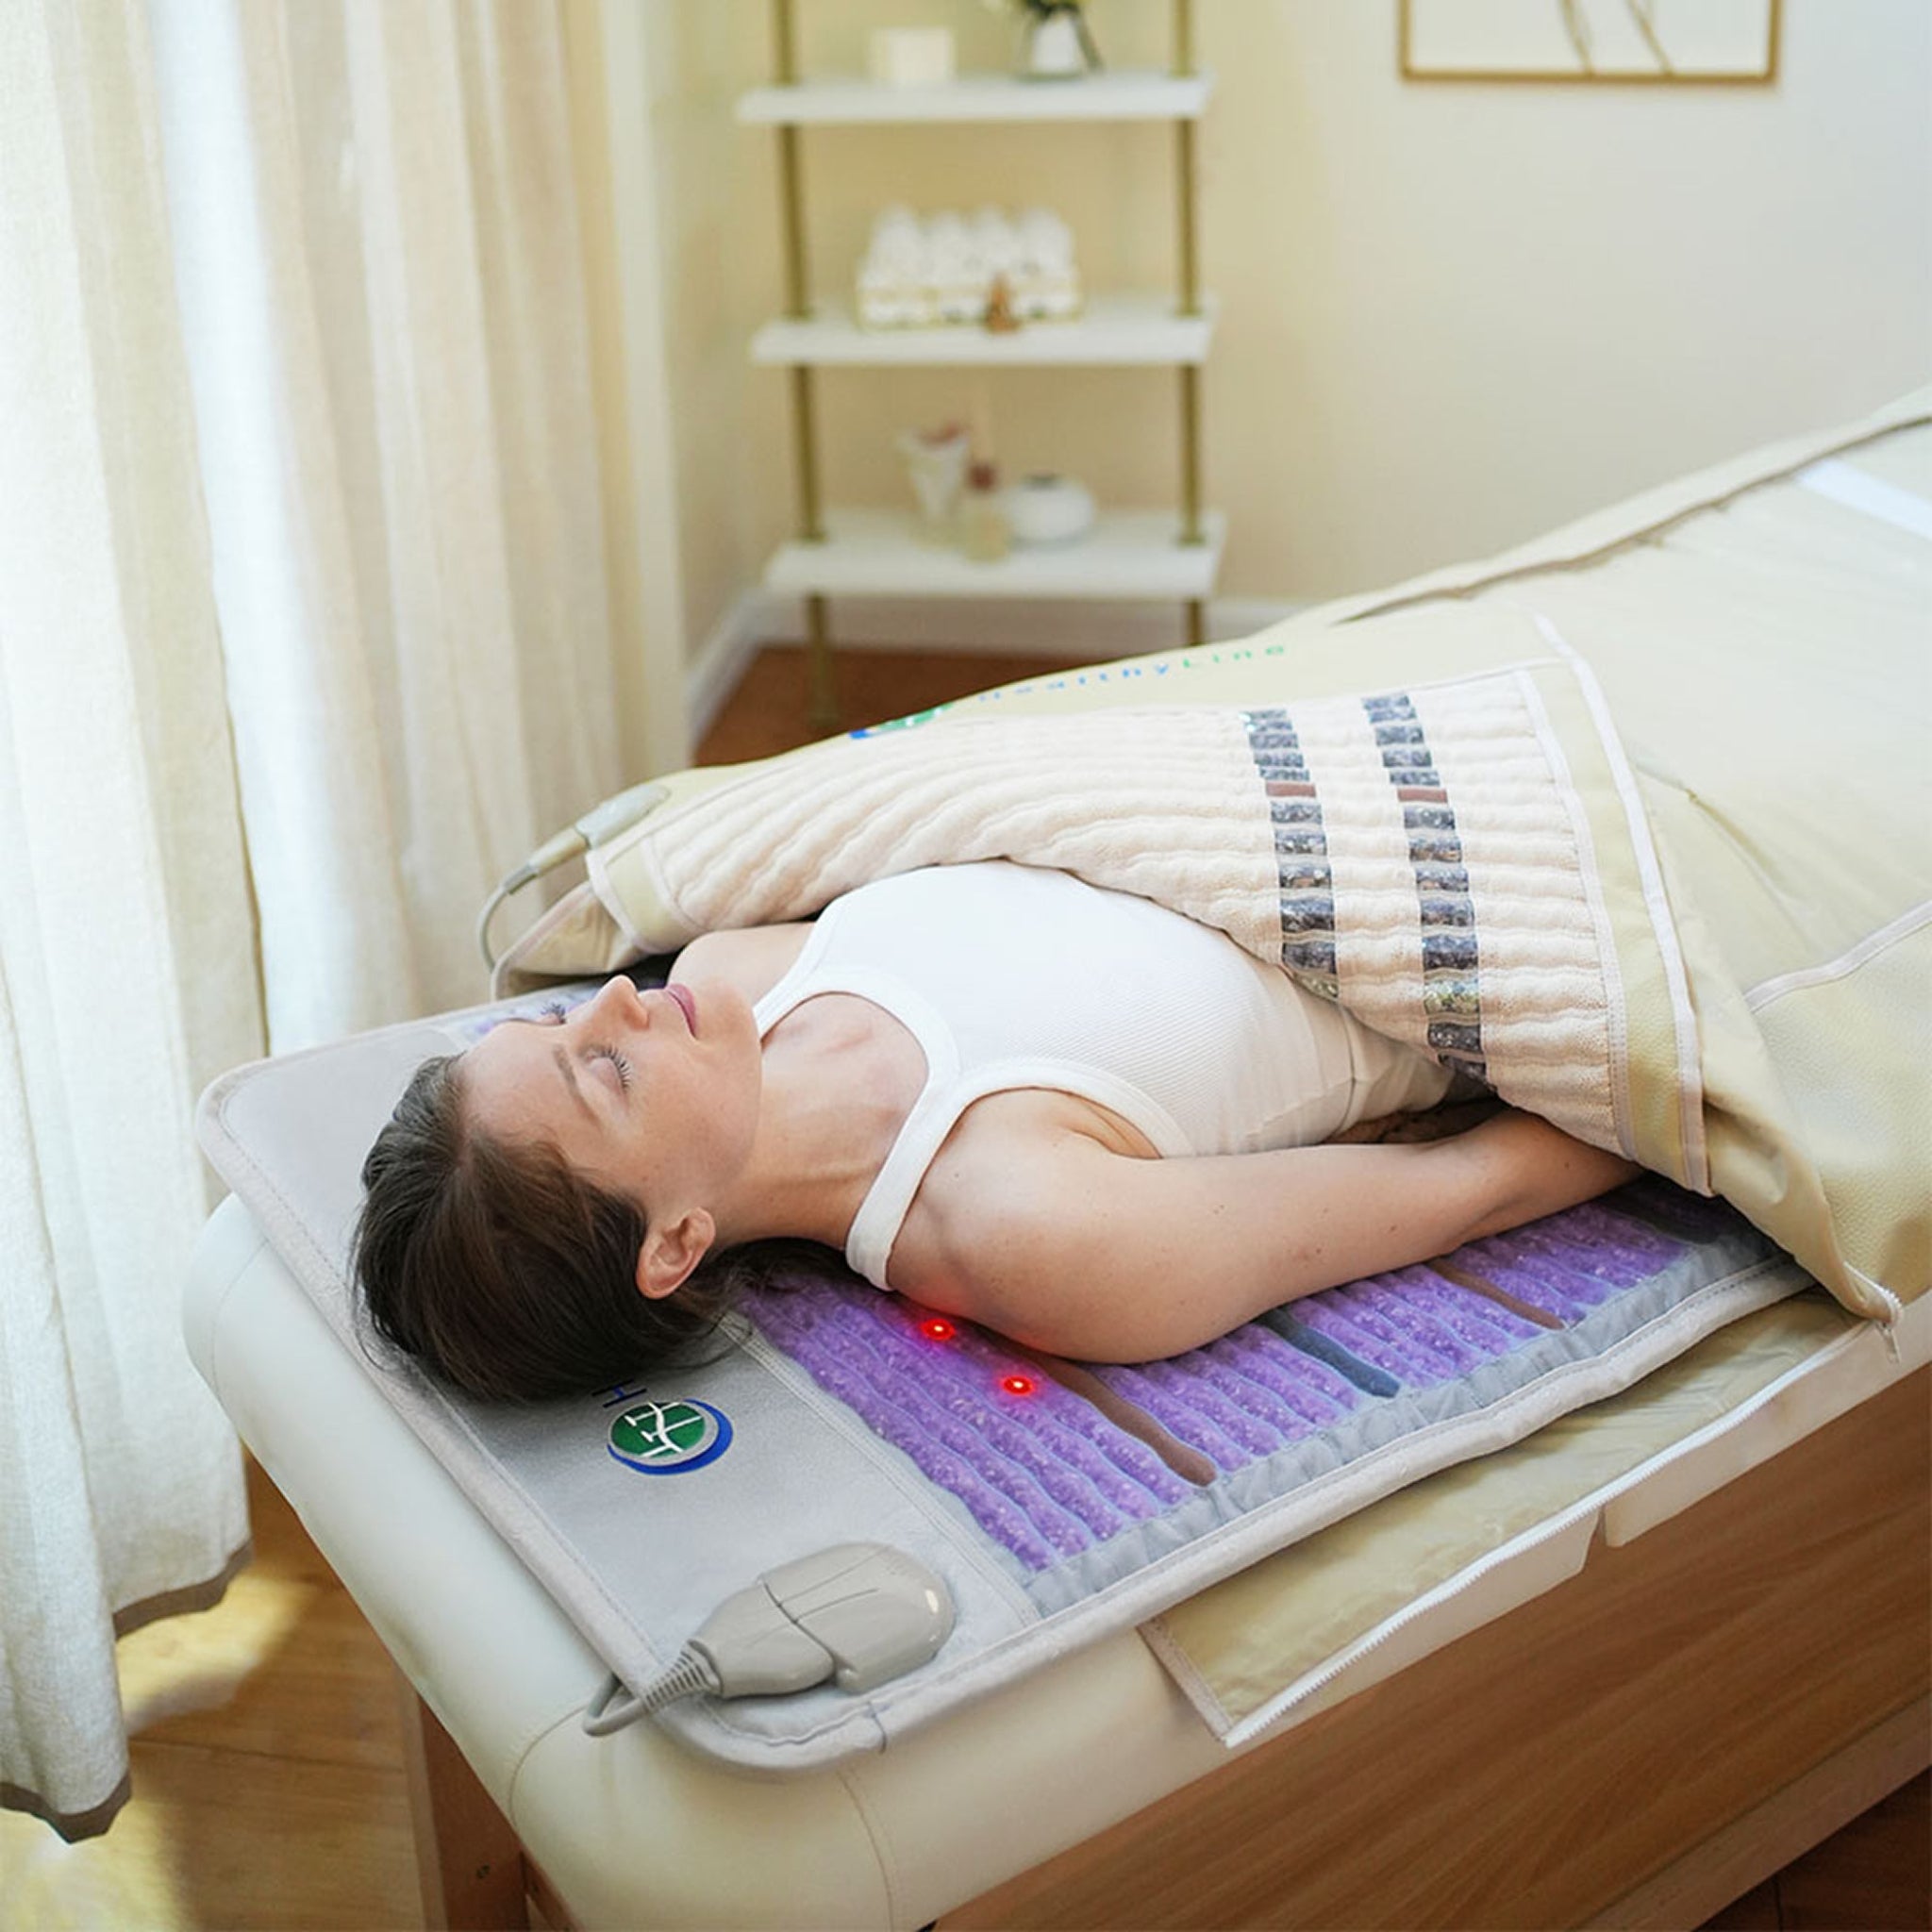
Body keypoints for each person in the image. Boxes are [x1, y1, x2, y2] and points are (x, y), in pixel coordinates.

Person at [353, 861, 1637, 1401]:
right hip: (1511, 906)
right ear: (674, 1244)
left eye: (560, 1022)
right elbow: (1471, 1188)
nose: (619, 1001)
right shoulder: (1027, 1228)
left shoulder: (737, 970)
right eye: (602, 1075)